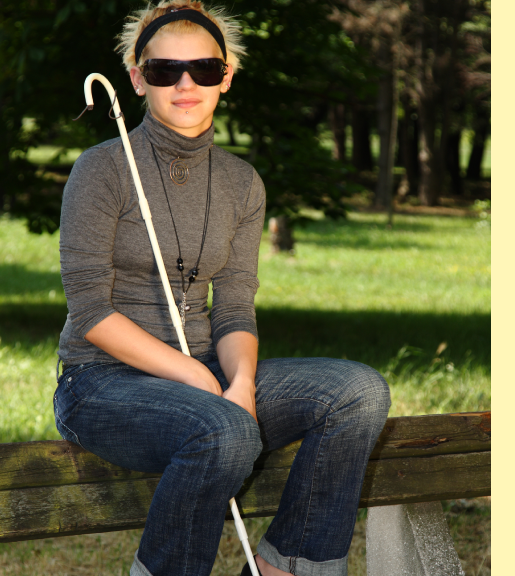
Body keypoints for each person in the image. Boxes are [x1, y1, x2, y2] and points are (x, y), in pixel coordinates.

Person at [52, 2, 391, 575]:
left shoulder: (242, 182)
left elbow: (234, 308)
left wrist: (241, 381)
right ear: (137, 78)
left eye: (204, 70)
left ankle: (289, 567)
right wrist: (200, 380)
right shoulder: (102, 168)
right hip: (101, 384)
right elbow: (90, 312)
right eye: (164, 72)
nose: (186, 84)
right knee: (225, 427)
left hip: (205, 374)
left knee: (355, 391)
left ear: (226, 77)